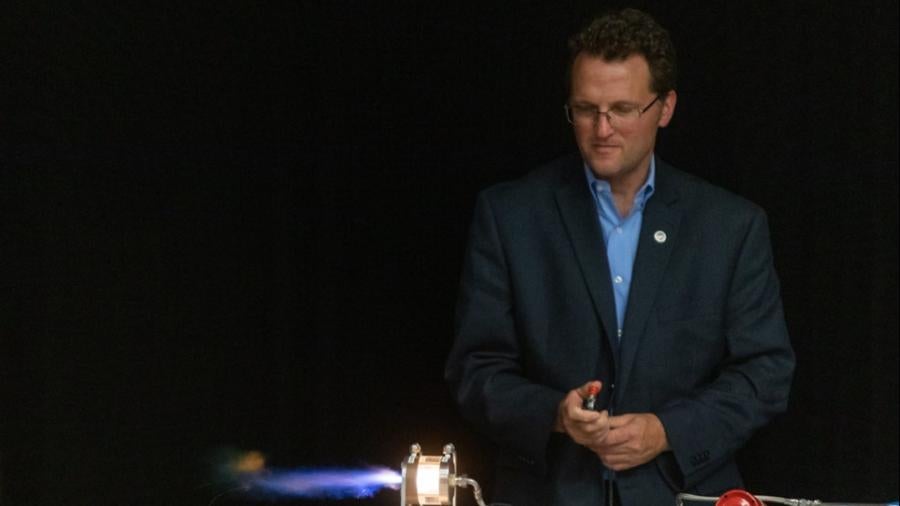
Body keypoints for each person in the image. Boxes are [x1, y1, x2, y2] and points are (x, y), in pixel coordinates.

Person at [445, 8, 795, 506]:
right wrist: (555, 414)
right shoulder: (509, 215)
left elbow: (766, 373)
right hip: (549, 492)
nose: (601, 129)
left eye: (622, 110)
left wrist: (665, 430)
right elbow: (475, 370)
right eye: (585, 109)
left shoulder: (731, 227)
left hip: (683, 492)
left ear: (665, 107)